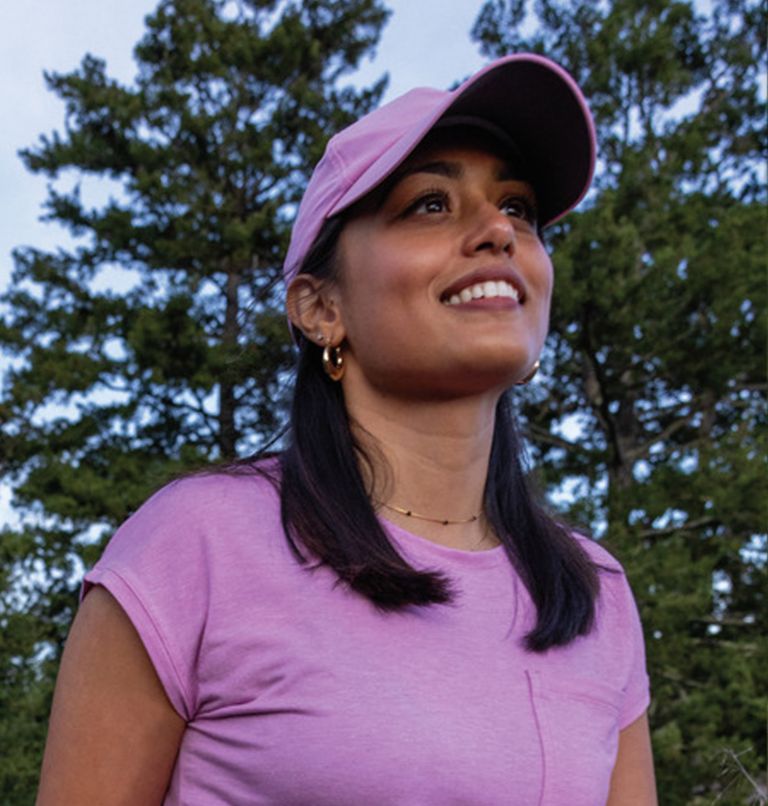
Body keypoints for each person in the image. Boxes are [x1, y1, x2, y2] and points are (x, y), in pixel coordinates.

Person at [37, 54, 657, 805]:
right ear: (319, 307)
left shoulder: (596, 595)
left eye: (518, 207)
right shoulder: (195, 547)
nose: (498, 230)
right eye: (431, 202)